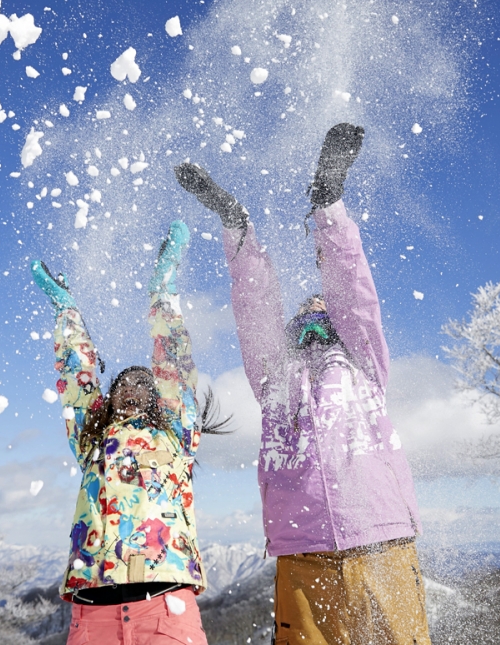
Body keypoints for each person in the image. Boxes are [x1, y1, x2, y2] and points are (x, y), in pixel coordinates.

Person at [174, 124, 431, 645]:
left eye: (324, 306)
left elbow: (352, 289)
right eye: (304, 309)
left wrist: (328, 206)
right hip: (301, 545)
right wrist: (236, 226)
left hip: (380, 535)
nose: (315, 308)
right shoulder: (275, 374)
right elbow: (254, 305)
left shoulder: (362, 362)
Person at [31, 220, 216, 645]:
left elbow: (172, 359)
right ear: (110, 400)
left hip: (165, 605)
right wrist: (66, 310)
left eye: (143, 385)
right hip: (92, 609)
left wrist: (162, 289)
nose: (131, 389)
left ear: (160, 399)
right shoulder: (93, 440)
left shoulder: (176, 436)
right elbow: (77, 377)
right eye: (122, 385)